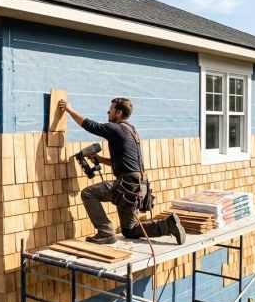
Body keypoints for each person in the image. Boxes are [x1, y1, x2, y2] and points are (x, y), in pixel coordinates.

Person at [58, 97, 186, 245]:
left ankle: (105, 233)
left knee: (88, 193)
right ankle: (168, 225)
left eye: (110, 109)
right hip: (140, 186)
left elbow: (91, 126)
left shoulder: (115, 128)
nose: (108, 112)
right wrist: (100, 159)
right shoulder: (131, 130)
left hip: (128, 185)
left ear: (118, 112)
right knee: (130, 230)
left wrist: (69, 109)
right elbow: (124, 162)